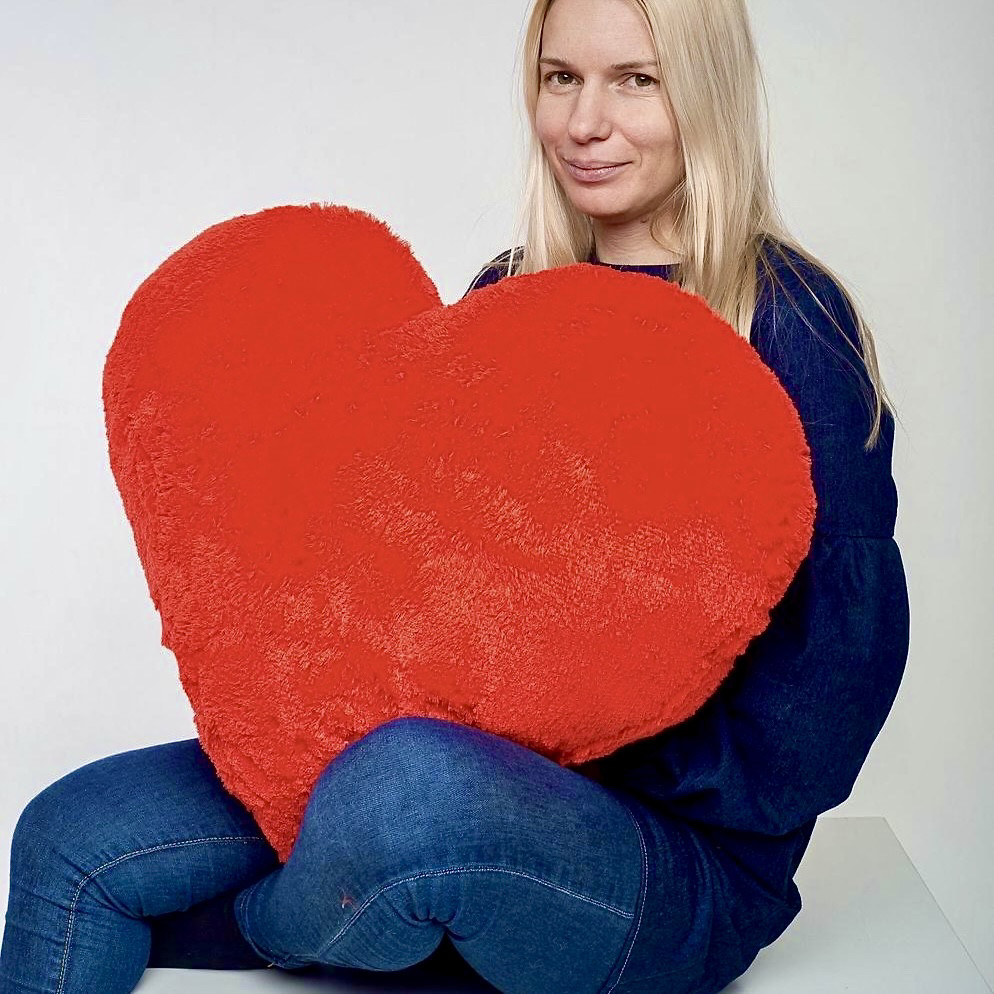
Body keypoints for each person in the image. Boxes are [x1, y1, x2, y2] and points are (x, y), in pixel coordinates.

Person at [0, 0, 910, 992]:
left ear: (707, 92)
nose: (585, 122)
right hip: (435, 785)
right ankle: (355, 882)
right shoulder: (508, 296)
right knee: (70, 834)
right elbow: (405, 590)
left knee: (402, 796)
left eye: (635, 81)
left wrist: (560, 749)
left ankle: (273, 923)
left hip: (674, 863)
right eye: (561, 78)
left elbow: (824, 708)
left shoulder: (793, 323)